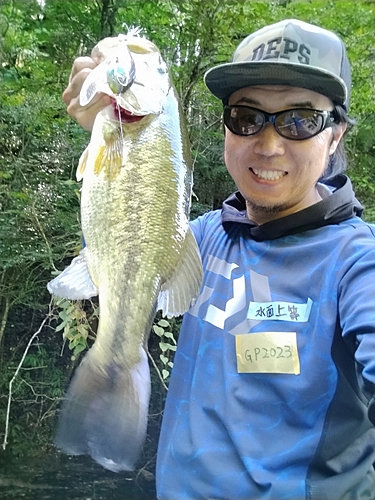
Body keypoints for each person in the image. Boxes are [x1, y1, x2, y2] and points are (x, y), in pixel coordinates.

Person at [62, 18, 375, 500]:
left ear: (334, 136)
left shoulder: (358, 264)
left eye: (300, 120)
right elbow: (121, 230)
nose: (269, 145)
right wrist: (108, 131)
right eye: (247, 117)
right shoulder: (200, 238)